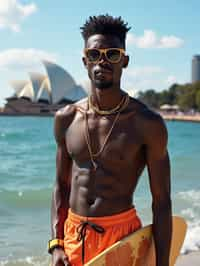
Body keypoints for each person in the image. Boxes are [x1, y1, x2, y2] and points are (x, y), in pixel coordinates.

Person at [48, 15, 172, 266]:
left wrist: (162, 263)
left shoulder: (146, 124)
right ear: (85, 60)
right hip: (73, 238)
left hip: (122, 238)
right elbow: (61, 187)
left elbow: (161, 201)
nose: (102, 61)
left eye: (112, 54)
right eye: (94, 54)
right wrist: (56, 244)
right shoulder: (66, 118)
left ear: (124, 61)